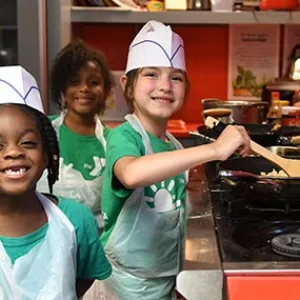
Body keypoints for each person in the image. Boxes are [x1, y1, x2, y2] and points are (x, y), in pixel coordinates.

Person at [99, 20, 250, 299]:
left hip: (168, 277)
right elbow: (132, 174)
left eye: (176, 77)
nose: (165, 86)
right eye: (151, 75)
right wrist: (215, 149)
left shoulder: (174, 144)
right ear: (127, 85)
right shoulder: (125, 137)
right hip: (128, 283)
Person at [0, 65, 112, 299]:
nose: (13, 152)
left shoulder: (76, 220)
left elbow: (80, 280)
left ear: (47, 156)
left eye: (28, 143)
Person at [37, 40, 114, 227]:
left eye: (93, 82)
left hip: (95, 243)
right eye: (74, 82)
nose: (84, 88)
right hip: (44, 237)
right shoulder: (40, 132)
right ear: (63, 89)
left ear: (105, 91)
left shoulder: (114, 141)